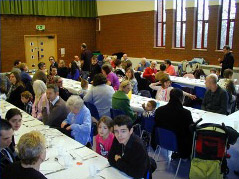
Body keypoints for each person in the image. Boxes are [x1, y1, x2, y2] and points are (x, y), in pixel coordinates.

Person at [154, 88, 194, 159]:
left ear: (170, 96)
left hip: (162, 140)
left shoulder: (159, 110)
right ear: (181, 98)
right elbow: (190, 129)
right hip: (179, 144)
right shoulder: (186, 113)